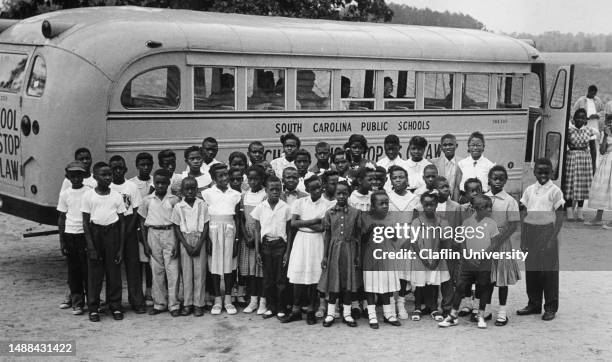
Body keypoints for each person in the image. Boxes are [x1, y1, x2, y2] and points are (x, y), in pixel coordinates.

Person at [438, 194, 499, 329]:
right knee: (460, 287)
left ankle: (481, 315)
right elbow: (463, 243)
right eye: (485, 207)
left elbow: (494, 244)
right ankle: (453, 316)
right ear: (475, 208)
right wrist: (469, 258)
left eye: (490, 207)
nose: (489, 210)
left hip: (484, 263)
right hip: (468, 263)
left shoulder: (492, 224)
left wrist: (483, 257)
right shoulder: (466, 223)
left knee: (482, 288)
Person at [282, 175, 335, 325]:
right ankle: (296, 310)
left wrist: (302, 222)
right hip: (301, 241)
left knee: (313, 278)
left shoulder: (327, 204)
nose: (318, 190)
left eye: (319, 187)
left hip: (317, 241)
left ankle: (311, 309)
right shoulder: (300, 202)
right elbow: (293, 223)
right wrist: (314, 220)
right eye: (313, 188)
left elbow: (322, 227)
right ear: (307, 190)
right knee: (297, 277)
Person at [517, 158, 564, 321]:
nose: (543, 175)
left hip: (547, 232)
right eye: (539, 171)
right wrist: (523, 239)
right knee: (532, 270)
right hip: (531, 232)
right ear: (534, 172)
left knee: (548, 271)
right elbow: (523, 214)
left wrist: (552, 238)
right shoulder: (529, 190)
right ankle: (534, 304)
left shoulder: (555, 191)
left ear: (551, 172)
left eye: (546, 172)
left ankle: (550, 307)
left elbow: (559, 216)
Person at [82, 162, 127, 322]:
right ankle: (93, 308)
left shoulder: (116, 196)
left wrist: (121, 248)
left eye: (109, 174)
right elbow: (86, 223)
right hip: (95, 234)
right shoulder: (88, 196)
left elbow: (122, 222)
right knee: (95, 273)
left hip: (112, 234)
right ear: (95, 177)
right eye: (104, 174)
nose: (108, 177)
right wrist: (91, 245)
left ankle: (115, 305)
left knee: (113, 272)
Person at [318, 181, 362, 328]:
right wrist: (325, 256)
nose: (342, 196)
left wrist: (357, 255)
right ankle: (330, 313)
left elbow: (358, 236)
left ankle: (347, 314)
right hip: (334, 250)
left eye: (344, 193)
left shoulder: (355, 213)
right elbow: (327, 235)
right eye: (339, 193)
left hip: (349, 250)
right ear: (335, 194)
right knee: (333, 281)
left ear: (349, 194)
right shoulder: (330, 213)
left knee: (348, 282)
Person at [138, 169, 181, 317]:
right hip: (153, 233)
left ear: (169, 183)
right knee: (156, 270)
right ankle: (159, 303)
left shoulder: (174, 200)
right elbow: (142, 222)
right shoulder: (147, 200)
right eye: (158, 182)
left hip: (170, 233)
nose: (161, 185)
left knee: (173, 269)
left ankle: (174, 304)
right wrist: (145, 243)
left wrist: (177, 242)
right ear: (153, 183)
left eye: (164, 182)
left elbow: (178, 223)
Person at [201, 163, 242, 315]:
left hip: (230, 231)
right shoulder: (207, 194)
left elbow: (237, 218)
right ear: (213, 178)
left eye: (226, 175)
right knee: (215, 266)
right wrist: (207, 240)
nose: (225, 178)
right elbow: (205, 218)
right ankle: (217, 299)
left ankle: (228, 299)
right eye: (221, 176)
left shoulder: (236, 194)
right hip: (213, 231)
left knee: (230, 266)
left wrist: (237, 240)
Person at [252, 175, 292, 319]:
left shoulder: (286, 208)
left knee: (281, 278)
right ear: (266, 191)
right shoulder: (260, 207)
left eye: (278, 189)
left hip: (280, 245)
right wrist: (257, 251)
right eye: (272, 189)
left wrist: (287, 251)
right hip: (266, 245)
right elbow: (257, 230)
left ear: (281, 190)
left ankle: (281, 307)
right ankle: (271, 306)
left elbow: (289, 230)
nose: (275, 192)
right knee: (268, 278)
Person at [109, 155, 146, 314]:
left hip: (129, 228)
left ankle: (136, 300)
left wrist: (129, 229)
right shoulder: (107, 186)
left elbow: (136, 209)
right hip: (112, 228)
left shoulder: (131, 187)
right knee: (113, 268)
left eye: (120, 168)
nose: (117, 171)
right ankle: (115, 303)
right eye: (114, 168)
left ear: (125, 169)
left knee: (133, 267)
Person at [360, 191, 402, 329]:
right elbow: (362, 239)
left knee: (387, 286)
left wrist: (392, 232)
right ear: (372, 206)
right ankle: (372, 315)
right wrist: (370, 230)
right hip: (371, 257)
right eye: (381, 203)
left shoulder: (391, 218)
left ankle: (388, 314)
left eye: (386, 203)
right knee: (371, 287)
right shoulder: (366, 217)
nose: (385, 206)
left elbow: (396, 239)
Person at [485, 165, 520, 326]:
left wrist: (497, 241)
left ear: (506, 180)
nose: (498, 181)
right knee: (487, 278)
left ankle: (502, 312)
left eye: (501, 178)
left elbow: (513, 225)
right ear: (489, 180)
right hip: (485, 242)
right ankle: (486, 309)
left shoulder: (510, 201)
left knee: (502, 278)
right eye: (495, 178)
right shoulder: (483, 198)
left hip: (502, 243)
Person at [171, 177, 210, 317]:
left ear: (197, 189)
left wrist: (200, 244)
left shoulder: (202, 205)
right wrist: (185, 245)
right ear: (182, 191)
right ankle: (187, 303)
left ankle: (198, 304)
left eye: (193, 188)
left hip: (200, 239)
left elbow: (206, 225)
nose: (190, 191)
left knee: (200, 274)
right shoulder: (178, 207)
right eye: (187, 189)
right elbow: (176, 227)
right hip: (185, 240)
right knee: (187, 274)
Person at [410, 192, 451, 322]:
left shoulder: (442, 222)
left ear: (436, 204)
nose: (429, 207)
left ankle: (433, 308)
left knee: (433, 284)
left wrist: (436, 260)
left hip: (437, 258)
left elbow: (444, 242)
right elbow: (414, 243)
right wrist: (424, 259)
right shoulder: (417, 222)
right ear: (422, 205)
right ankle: (417, 308)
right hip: (420, 258)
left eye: (431, 204)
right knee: (420, 283)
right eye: (426, 204)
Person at [57, 161, 91, 316]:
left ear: (84, 176)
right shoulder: (65, 194)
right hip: (71, 235)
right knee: (74, 270)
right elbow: (62, 218)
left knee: (89, 270)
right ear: (67, 177)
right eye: (73, 176)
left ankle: (92, 301)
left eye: (79, 175)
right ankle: (77, 302)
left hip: (86, 235)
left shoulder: (90, 192)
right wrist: (62, 240)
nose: (76, 179)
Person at [387, 165, 419, 320]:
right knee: (391, 272)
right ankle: (392, 304)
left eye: (401, 177)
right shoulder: (387, 197)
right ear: (391, 180)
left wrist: (409, 238)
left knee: (403, 273)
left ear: (407, 179)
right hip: (390, 239)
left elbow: (417, 221)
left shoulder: (414, 198)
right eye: (395, 177)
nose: (398, 180)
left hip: (407, 239)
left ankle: (401, 302)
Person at [240, 165, 267, 315]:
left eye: (256, 179)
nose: (253, 182)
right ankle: (253, 300)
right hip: (247, 238)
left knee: (261, 272)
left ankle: (263, 302)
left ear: (262, 179)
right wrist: (246, 236)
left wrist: (257, 237)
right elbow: (241, 219)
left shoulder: (265, 195)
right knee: (250, 272)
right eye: (250, 179)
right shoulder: (244, 195)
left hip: (260, 236)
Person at [128, 152, 155, 307]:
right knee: (138, 262)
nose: (145, 168)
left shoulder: (155, 181)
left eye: (148, 165)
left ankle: (150, 292)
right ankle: (137, 294)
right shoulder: (132, 184)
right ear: (137, 166)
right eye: (142, 165)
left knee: (150, 262)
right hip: (137, 226)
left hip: (152, 227)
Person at [564, 108, 597, 222]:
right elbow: (564, 146)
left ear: (586, 120)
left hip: (585, 160)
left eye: (582, 117)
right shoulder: (569, 131)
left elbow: (593, 150)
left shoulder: (590, 131)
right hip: (571, 158)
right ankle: (569, 211)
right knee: (570, 184)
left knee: (582, 185)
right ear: (573, 119)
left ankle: (580, 211)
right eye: (577, 117)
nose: (580, 119)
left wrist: (594, 166)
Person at [586, 115, 612, 228]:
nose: (609, 124)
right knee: (601, 188)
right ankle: (598, 217)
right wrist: (606, 135)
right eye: (608, 122)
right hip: (606, 163)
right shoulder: (604, 134)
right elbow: (602, 151)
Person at [431, 134, 462, 202]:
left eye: (451, 144)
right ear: (441, 147)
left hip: (458, 199)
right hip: (440, 201)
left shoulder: (462, 162)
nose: (448, 147)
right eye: (445, 145)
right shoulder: (434, 163)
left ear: (456, 146)